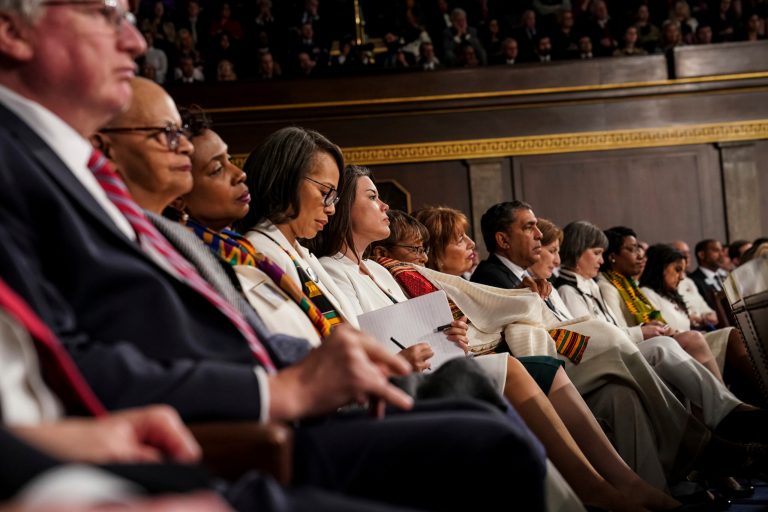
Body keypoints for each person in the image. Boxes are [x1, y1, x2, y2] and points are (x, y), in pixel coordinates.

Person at [0, 4, 551, 510]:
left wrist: (316, 369)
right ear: (11, 31)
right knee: (490, 443)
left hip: (247, 407)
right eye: (105, 14)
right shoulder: (25, 166)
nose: (136, 40)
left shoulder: (89, 183)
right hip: (212, 433)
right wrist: (281, 388)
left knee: (486, 425)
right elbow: (73, 355)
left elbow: (225, 330)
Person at [371, 209, 681, 511]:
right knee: (614, 341)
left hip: (529, 356)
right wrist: (523, 306)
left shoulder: (436, 279)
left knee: (622, 390)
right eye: (417, 249)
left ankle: (649, 482)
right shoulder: (471, 276)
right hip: (472, 369)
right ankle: (605, 485)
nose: (470, 244)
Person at [468, 202, 768, 488]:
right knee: (636, 341)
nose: (537, 235)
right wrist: (534, 301)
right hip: (547, 369)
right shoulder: (490, 277)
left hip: (570, 359)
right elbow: (525, 335)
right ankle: (710, 435)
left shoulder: (528, 276)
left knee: (622, 395)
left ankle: (660, 489)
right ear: (503, 239)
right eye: (529, 227)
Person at [598, 228, 727, 379]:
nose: (640, 256)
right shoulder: (607, 286)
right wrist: (647, 330)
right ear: (613, 256)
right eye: (632, 249)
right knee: (696, 339)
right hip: (634, 348)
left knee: (729, 334)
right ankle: (726, 399)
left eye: (639, 249)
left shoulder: (631, 285)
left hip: (654, 340)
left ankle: (725, 397)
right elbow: (618, 330)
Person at [639, 243, 759, 396]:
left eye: (682, 271)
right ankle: (736, 397)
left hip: (694, 340)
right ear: (660, 268)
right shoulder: (646, 294)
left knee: (734, 334)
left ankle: (754, 390)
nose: (682, 277)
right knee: (732, 336)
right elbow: (659, 329)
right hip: (678, 348)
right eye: (677, 270)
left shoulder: (670, 294)